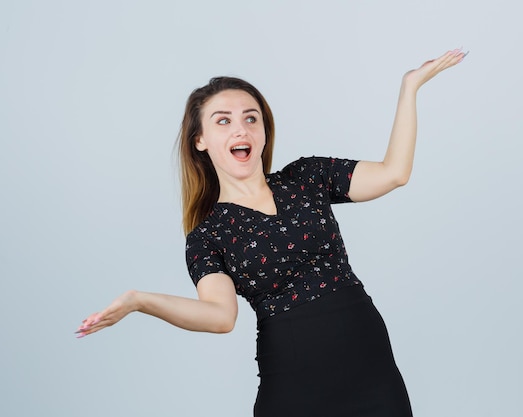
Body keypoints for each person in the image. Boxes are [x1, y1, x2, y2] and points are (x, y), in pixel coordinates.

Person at [76, 48, 467, 417]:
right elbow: (219, 316)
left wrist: (409, 87)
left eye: (251, 117)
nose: (240, 128)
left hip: (370, 365)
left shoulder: (307, 176)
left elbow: (393, 173)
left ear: (263, 130)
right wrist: (139, 300)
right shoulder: (207, 236)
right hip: (295, 385)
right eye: (223, 120)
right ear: (200, 140)